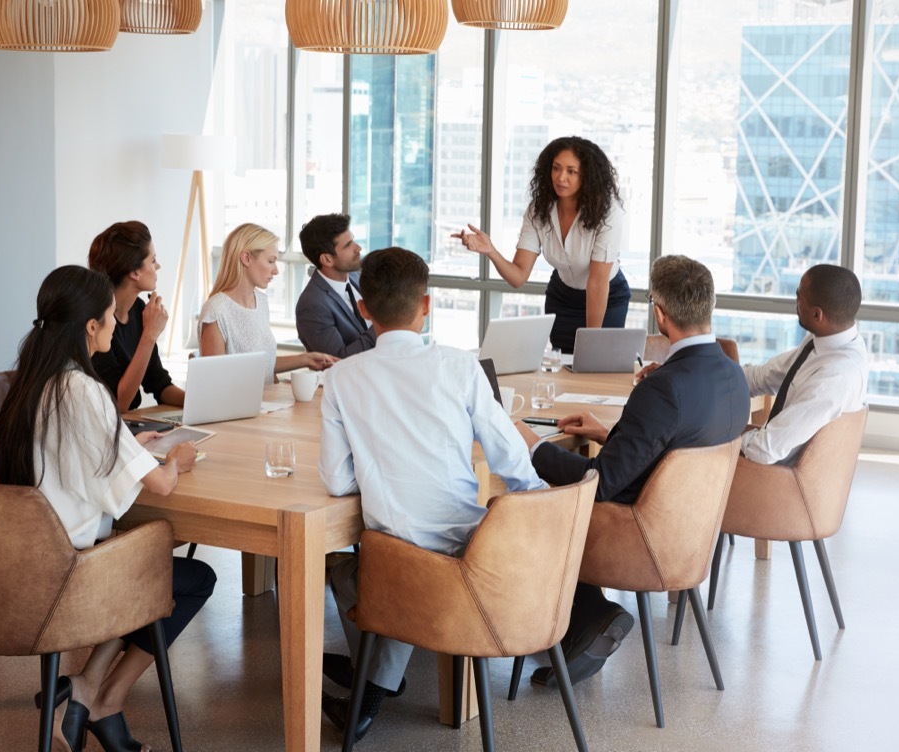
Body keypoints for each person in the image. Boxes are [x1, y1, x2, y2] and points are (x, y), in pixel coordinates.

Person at [317, 247, 546, 741]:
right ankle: (374, 688)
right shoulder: (461, 367)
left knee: (352, 562)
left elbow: (336, 482)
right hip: (475, 553)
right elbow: (511, 458)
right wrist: (544, 505)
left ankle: (370, 687)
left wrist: (381, 470)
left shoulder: (340, 379)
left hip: (404, 564)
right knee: (400, 553)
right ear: (428, 304)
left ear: (363, 309)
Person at [0, 265, 216, 752]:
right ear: (90, 326)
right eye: (113, 317)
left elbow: (78, 450)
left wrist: (131, 441)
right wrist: (176, 459)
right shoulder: (85, 391)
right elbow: (159, 484)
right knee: (192, 578)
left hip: (19, 571)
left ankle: (86, 692)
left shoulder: (30, 384)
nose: (118, 326)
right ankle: (101, 695)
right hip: (71, 579)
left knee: (148, 565)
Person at [515, 255, 750, 688]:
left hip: (637, 535)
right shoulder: (732, 374)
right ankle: (583, 621)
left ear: (659, 313)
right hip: (689, 533)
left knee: (525, 505)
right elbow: (674, 452)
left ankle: (591, 615)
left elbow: (599, 484)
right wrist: (610, 433)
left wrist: (531, 447)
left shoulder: (665, 388)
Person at [454, 136, 631, 352]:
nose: (561, 177)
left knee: (595, 367)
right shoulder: (538, 210)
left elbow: (596, 282)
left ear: (587, 176)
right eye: (556, 168)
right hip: (563, 297)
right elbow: (518, 276)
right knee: (562, 368)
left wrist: (591, 344)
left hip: (606, 296)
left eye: (571, 171)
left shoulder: (607, 212)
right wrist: (490, 250)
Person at [740, 263, 868, 465]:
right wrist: (720, 376)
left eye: (799, 297)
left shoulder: (834, 376)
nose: (796, 302)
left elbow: (765, 450)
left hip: (776, 476)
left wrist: (729, 441)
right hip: (771, 455)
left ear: (817, 315)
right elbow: (766, 376)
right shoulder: (823, 342)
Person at [199, 223, 336, 384]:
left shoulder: (261, 301)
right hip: (240, 407)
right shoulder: (216, 311)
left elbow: (263, 365)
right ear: (246, 258)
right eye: (271, 261)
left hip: (268, 403)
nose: (276, 270)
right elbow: (214, 382)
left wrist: (306, 359)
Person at [88, 221, 184, 412]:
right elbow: (118, 403)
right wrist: (149, 335)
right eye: (153, 260)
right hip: (108, 429)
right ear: (134, 272)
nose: (158, 266)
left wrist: (201, 402)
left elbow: (159, 383)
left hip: (129, 425)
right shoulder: (96, 322)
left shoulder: (139, 310)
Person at [295, 213, 376, 357]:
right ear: (327, 259)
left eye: (353, 241)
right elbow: (338, 359)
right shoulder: (311, 305)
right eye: (348, 245)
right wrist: (384, 324)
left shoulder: (357, 277)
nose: (358, 248)